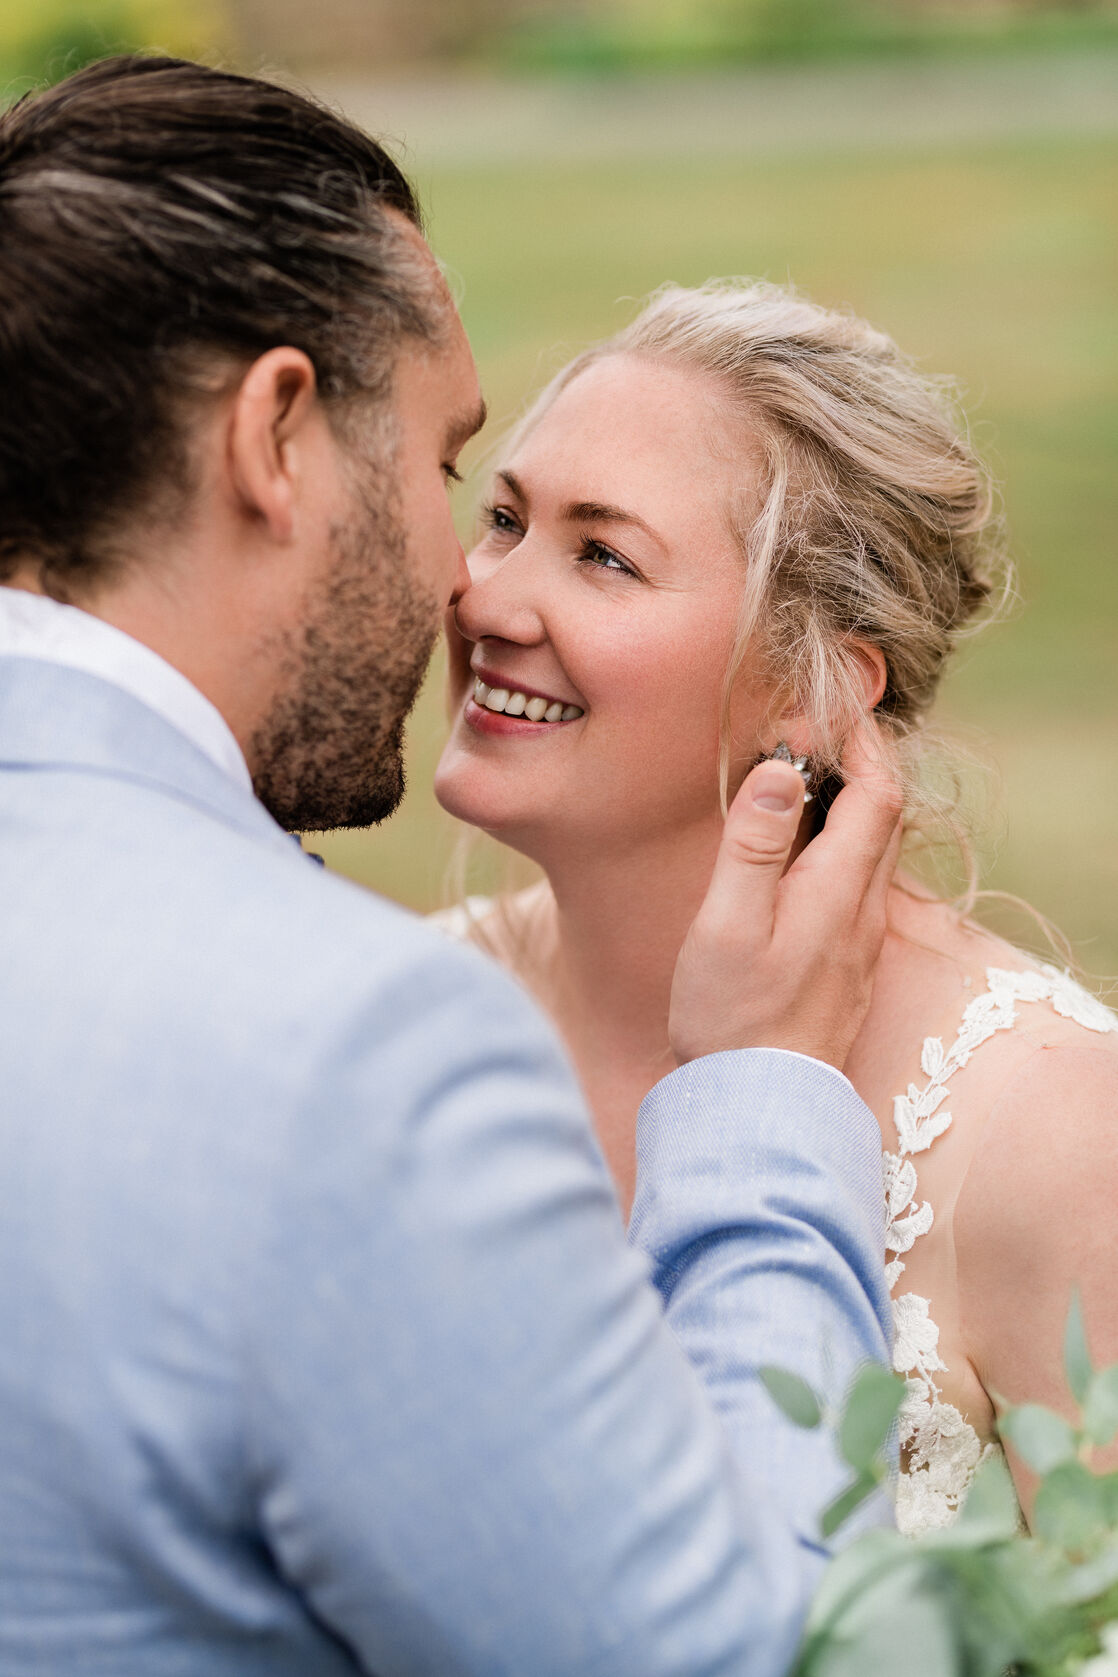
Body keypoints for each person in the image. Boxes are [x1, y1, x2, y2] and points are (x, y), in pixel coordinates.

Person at [0, 56, 906, 1676]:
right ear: (276, 433)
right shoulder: (348, 1047)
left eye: (594, 545)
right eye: (443, 473)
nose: (459, 584)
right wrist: (762, 1095)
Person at [433, 279, 1118, 1537]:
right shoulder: (404, 1021)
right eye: (501, 519)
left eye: (602, 555)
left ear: (811, 696)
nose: (482, 600)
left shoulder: (1054, 1135)